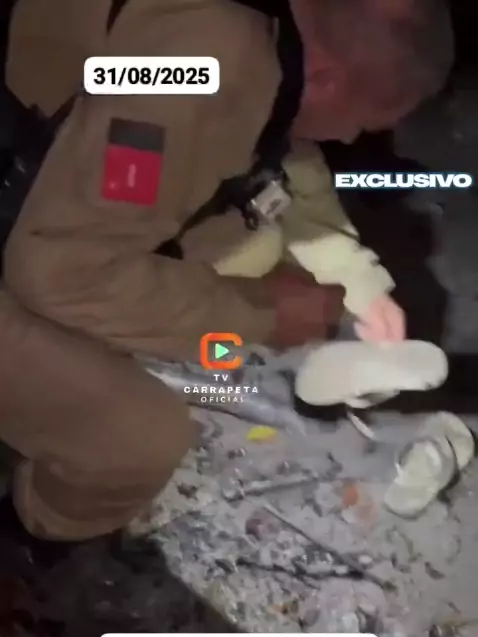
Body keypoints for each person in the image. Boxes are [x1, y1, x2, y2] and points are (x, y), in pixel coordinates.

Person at [0, 0, 453, 569]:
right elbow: (60, 269)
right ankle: (25, 535)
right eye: (360, 124)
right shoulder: (199, 66)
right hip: (38, 241)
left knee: (236, 243)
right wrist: (262, 314)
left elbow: (282, 163)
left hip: (48, 167)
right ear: (326, 78)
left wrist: (358, 280)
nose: (347, 138)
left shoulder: (263, 36)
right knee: (136, 437)